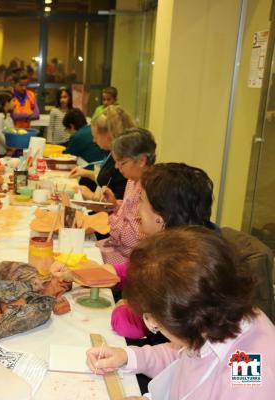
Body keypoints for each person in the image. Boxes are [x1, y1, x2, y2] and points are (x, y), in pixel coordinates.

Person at [86, 226, 275, 400]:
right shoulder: (217, 313)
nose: (154, 326)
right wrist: (128, 356)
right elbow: (186, 359)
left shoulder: (248, 372)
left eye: (153, 320)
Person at [110, 163, 215, 339]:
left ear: (160, 217)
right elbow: (129, 269)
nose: (137, 211)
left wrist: (121, 307)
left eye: (141, 201)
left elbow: (129, 324)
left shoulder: (177, 266)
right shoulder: (197, 242)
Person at [97, 128, 156, 264]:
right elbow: (128, 213)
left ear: (141, 160)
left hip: (130, 259)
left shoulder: (148, 188)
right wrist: (115, 205)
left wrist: (110, 218)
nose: (117, 167)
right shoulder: (132, 180)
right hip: (118, 248)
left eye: (122, 163)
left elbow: (132, 241)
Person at [69, 105, 136, 200]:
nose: (94, 141)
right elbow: (107, 178)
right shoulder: (112, 153)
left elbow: (119, 203)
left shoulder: (124, 163)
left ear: (109, 135)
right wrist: (86, 173)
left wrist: (91, 196)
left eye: (96, 137)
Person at [0, 92, 15, 157]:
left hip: (7, 150)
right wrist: (10, 146)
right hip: (0, 152)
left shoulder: (8, 116)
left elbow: (12, 131)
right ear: (6, 103)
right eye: (12, 101)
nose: (14, 103)